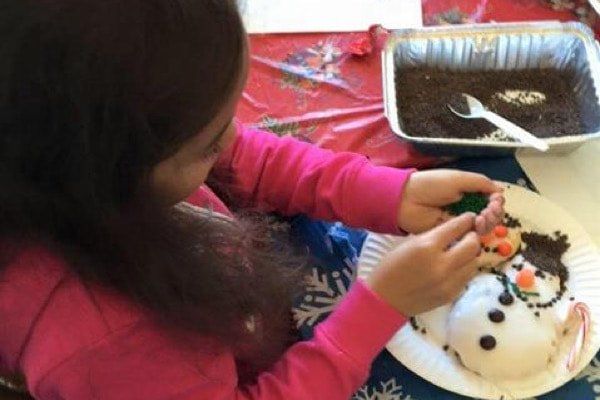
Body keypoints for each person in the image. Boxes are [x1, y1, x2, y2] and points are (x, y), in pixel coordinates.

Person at [0, 1, 504, 399]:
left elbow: (242, 156)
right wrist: (379, 308)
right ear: (104, 178)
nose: (234, 137)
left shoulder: (81, 170)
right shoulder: (114, 347)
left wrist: (383, 192)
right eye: (208, 142)